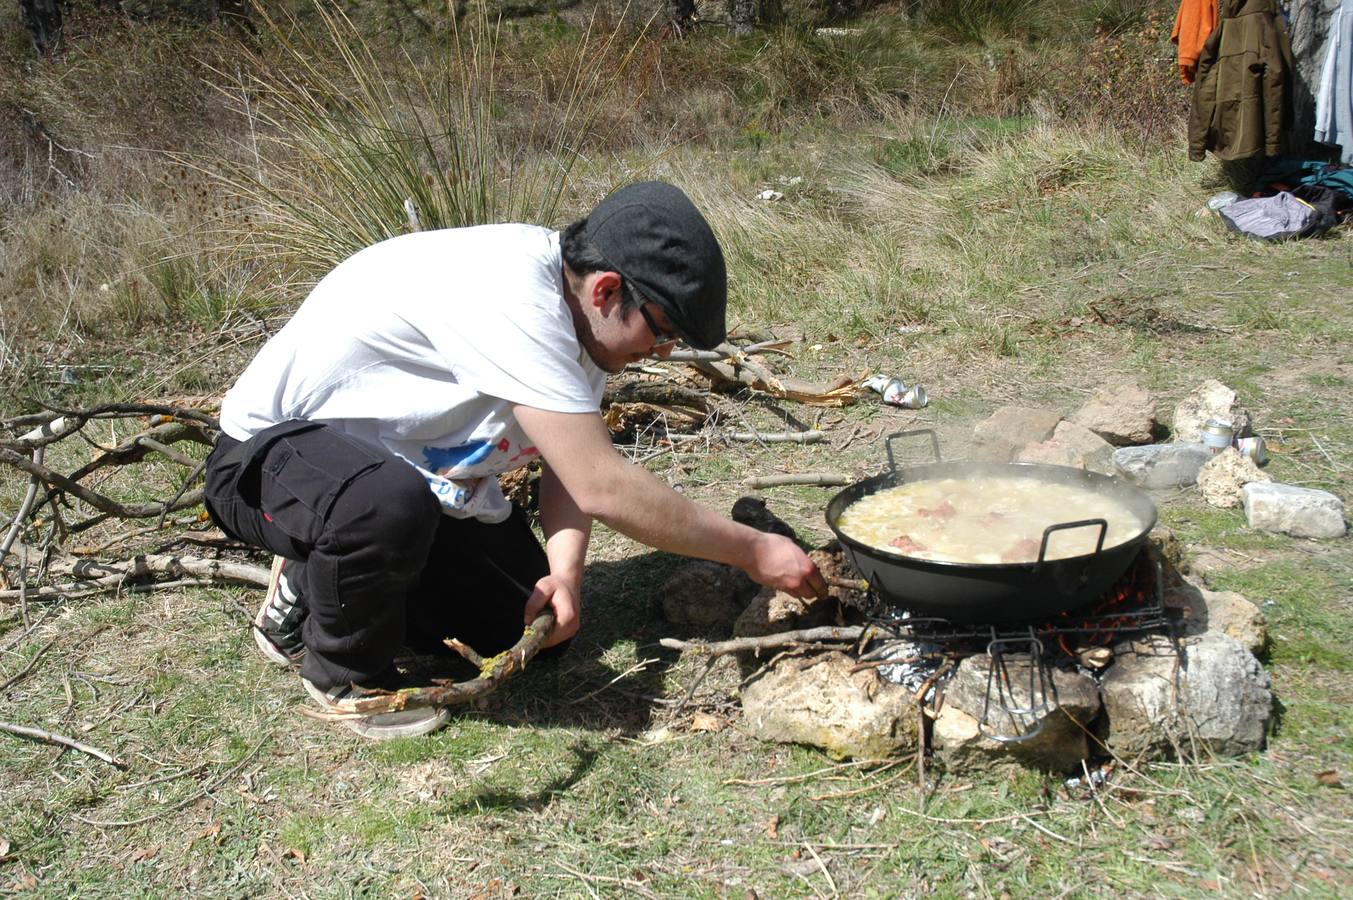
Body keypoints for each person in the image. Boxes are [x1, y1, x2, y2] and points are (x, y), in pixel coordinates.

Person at [203, 181, 827, 739]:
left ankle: (334, 576)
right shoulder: (509, 293)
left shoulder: (581, 318)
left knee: (525, 633)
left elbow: (568, 467)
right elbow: (604, 485)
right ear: (608, 290)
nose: (662, 352)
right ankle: (343, 672)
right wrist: (754, 550)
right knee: (380, 506)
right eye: (662, 331)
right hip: (266, 464)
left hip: (408, 478)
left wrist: (566, 577)